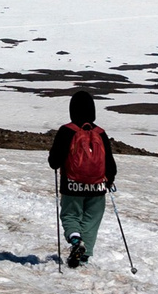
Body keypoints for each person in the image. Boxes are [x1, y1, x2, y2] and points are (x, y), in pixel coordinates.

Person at [46, 92, 117, 266]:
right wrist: (109, 179)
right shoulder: (100, 132)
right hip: (97, 186)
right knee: (91, 220)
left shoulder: (67, 130)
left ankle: (76, 241)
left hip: (72, 185)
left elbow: (54, 161)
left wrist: (56, 163)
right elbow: (109, 162)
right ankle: (84, 256)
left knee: (71, 215)